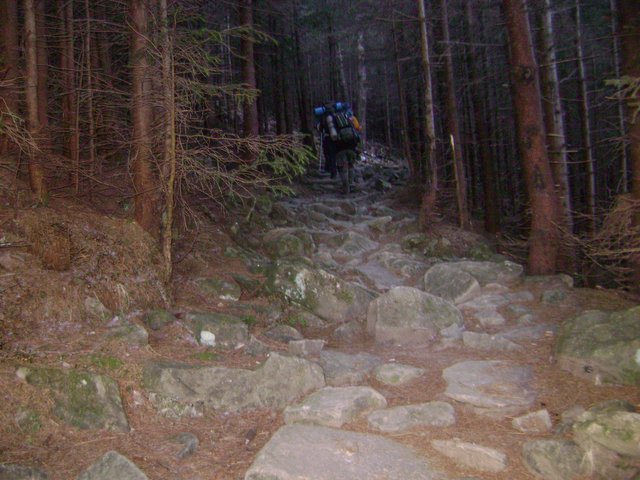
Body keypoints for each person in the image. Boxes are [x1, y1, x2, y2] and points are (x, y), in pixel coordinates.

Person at [315, 101, 361, 193]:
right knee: (351, 165)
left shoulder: (332, 121)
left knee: (342, 168)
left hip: (340, 148)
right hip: (351, 146)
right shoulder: (348, 118)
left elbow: (330, 134)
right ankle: (351, 184)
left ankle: (345, 187)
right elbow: (356, 128)